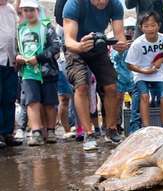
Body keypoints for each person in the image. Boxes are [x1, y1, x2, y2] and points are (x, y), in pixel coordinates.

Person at [62, 0, 127, 150]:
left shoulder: (115, 4)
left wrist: (120, 44)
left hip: (98, 45)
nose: (102, 2)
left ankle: (111, 129)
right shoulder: (74, 4)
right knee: (82, 86)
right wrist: (80, 46)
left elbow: (119, 35)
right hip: (76, 47)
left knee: (111, 86)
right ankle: (88, 132)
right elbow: (68, 41)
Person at [125, 0, 163, 133]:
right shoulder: (138, 41)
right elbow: (128, 4)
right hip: (143, 43)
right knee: (140, 92)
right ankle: (138, 127)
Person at [16, 0, 61, 146]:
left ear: (37, 10)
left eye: (31, 10)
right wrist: (18, 57)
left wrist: (39, 58)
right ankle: (36, 131)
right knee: (32, 101)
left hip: (47, 70)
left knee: (50, 102)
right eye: (25, 10)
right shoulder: (20, 30)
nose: (28, 13)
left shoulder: (47, 27)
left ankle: (51, 130)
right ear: (22, 12)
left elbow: (55, 46)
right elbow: (16, 49)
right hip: (28, 72)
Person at [0, 0, 22, 148]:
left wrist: (17, 54)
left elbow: (16, 33)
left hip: (10, 60)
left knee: (9, 97)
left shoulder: (10, 10)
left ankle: (7, 132)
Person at [56, 25, 75, 140]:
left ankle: (78, 127)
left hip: (74, 61)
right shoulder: (59, 29)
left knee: (77, 96)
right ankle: (66, 129)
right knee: (64, 99)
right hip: (61, 65)